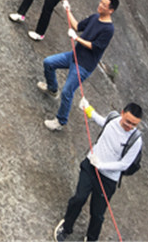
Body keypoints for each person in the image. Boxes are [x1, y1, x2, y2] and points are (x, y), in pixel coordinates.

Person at [54, 100, 143, 242]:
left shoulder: (135, 140)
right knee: (79, 198)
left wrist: (102, 166)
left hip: (108, 178)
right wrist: (87, 108)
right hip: (90, 166)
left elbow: (124, 165)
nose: (130, 126)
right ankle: (66, 227)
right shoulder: (113, 118)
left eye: (134, 124)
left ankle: (91, 239)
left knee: (97, 214)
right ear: (122, 114)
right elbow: (102, 121)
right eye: (128, 122)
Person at [38, 0, 119, 130]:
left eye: (104, 5)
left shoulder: (108, 29)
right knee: (48, 63)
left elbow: (95, 46)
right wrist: (68, 10)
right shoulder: (94, 17)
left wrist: (77, 39)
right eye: (101, 2)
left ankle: (60, 121)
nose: (100, 5)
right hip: (74, 55)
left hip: (84, 65)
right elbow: (77, 26)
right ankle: (52, 89)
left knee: (67, 92)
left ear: (111, 10)